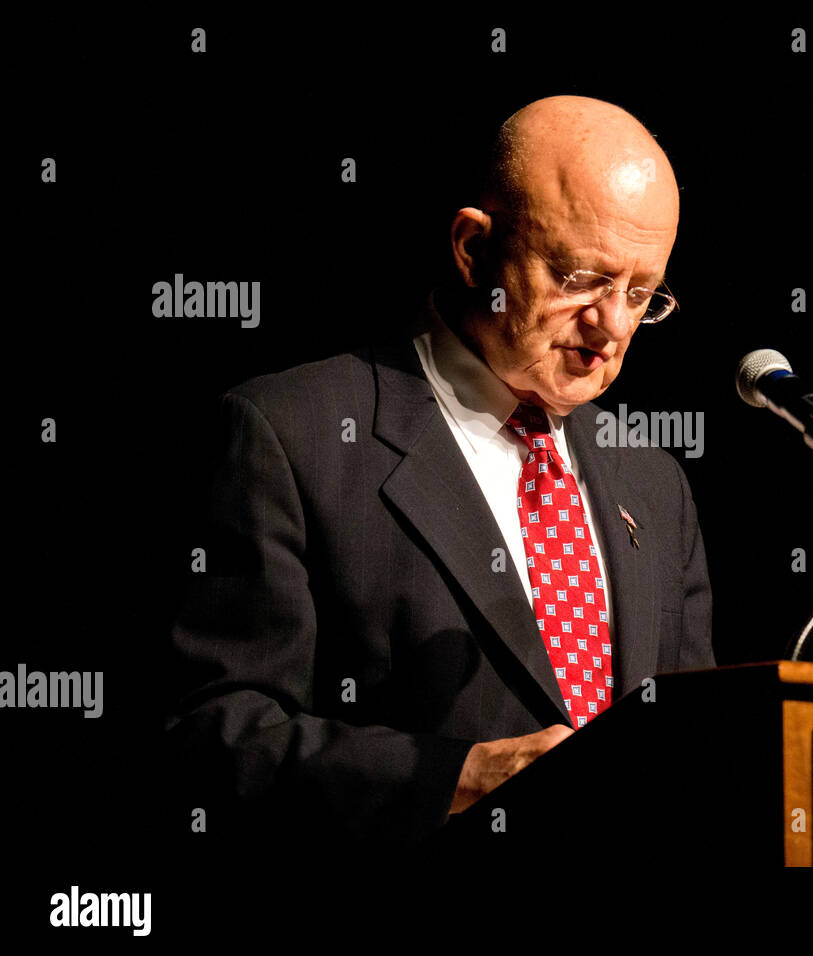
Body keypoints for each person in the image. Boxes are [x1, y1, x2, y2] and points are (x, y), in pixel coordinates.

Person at [164, 95, 714, 850]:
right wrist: (453, 779)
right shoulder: (292, 435)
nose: (612, 326)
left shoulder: (653, 481)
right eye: (581, 278)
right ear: (472, 248)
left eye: (642, 294)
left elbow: (694, 744)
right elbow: (212, 737)